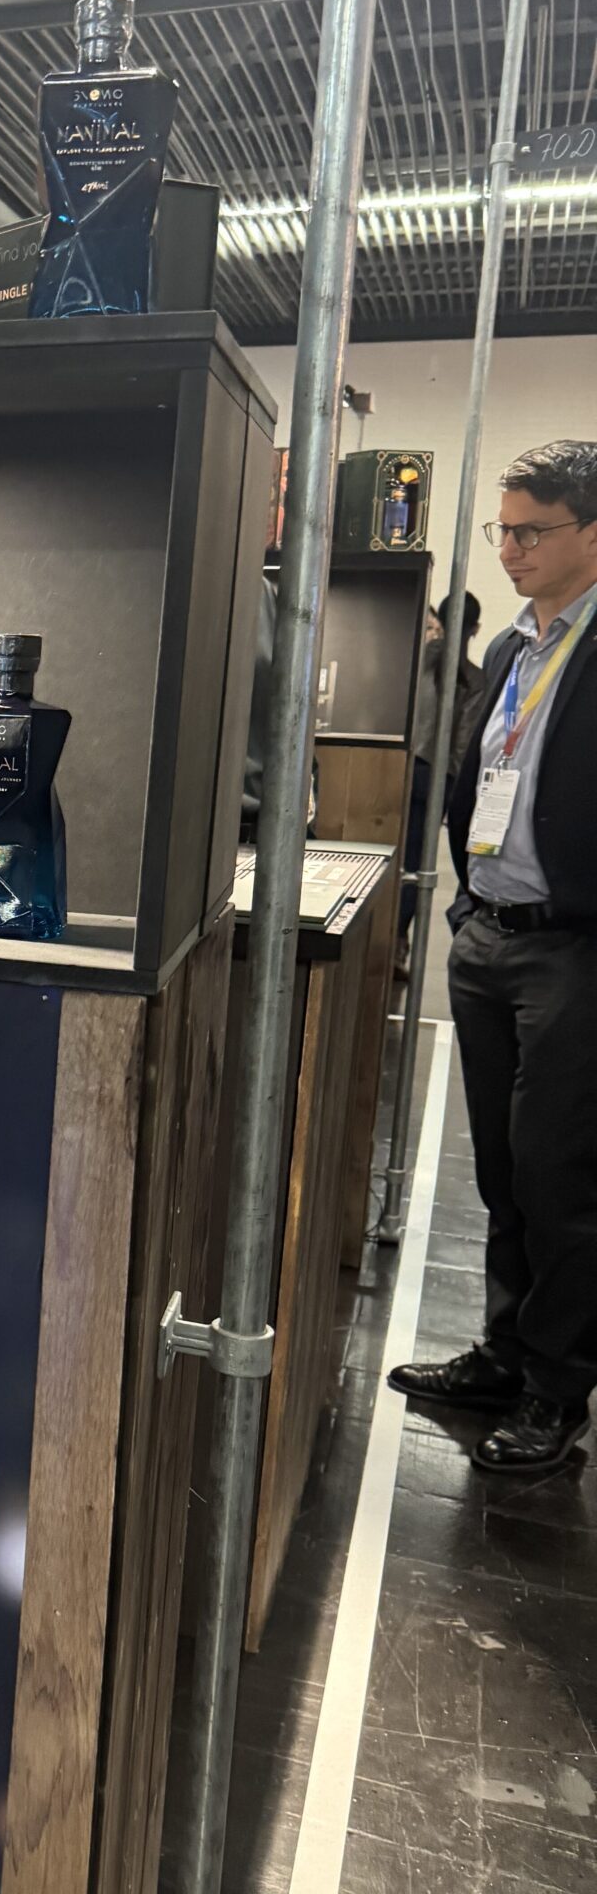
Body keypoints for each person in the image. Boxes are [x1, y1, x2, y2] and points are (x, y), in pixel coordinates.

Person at [389, 441, 597, 1473]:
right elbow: (479, 772)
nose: (509, 549)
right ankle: (506, 1353)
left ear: (592, 532)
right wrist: (470, 904)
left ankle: (557, 1391)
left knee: (562, 1177)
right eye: (501, 531)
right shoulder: (515, 645)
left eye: (531, 531)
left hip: (574, 947)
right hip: (490, 935)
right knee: (505, 1170)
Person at [397, 589, 483, 970]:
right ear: (475, 628)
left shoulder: (418, 657)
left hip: (402, 766)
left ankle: (385, 942)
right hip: (439, 777)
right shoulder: (475, 679)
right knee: (421, 866)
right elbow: (463, 745)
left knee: (398, 859)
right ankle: (399, 942)